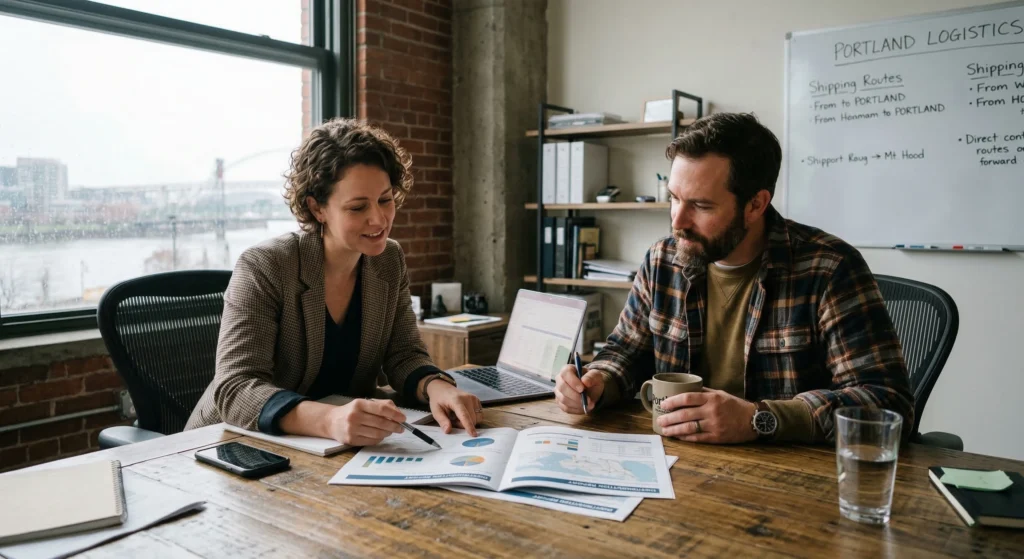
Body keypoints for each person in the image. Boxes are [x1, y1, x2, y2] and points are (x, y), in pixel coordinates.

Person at [554, 113, 914, 444]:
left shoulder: (829, 269)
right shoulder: (662, 260)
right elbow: (627, 353)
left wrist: (759, 419)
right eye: (674, 199)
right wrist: (598, 380)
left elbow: (888, 404)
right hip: (675, 466)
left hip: (789, 480)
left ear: (756, 204)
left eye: (701, 206)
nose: (677, 221)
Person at [186, 118, 482, 444]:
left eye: (385, 199)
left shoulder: (388, 260)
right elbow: (236, 386)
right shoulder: (265, 266)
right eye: (358, 207)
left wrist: (436, 387)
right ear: (317, 208)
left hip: (333, 449)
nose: (379, 219)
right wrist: (330, 421)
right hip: (229, 445)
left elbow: (403, 354)